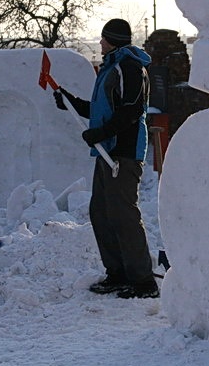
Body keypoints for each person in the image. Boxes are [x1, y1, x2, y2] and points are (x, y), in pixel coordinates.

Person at [53, 18, 159, 299]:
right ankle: (118, 274)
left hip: (123, 153)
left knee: (123, 215)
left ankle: (143, 282)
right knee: (101, 212)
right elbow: (103, 110)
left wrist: (101, 132)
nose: (99, 43)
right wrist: (71, 102)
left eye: (102, 38)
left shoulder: (130, 68)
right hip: (107, 151)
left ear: (111, 39)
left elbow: (132, 110)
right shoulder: (112, 67)